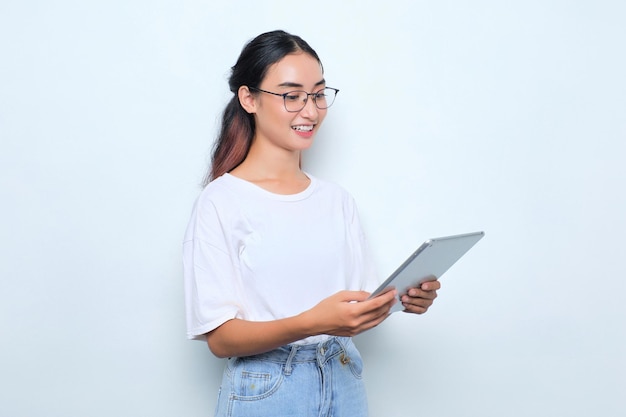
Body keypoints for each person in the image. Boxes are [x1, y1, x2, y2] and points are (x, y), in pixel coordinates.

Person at [183, 30, 440, 417]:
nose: (310, 110)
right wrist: (311, 322)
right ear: (249, 98)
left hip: (342, 376)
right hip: (267, 389)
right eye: (292, 96)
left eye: (318, 94)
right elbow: (220, 338)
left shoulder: (337, 201)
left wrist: (401, 299)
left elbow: (355, 307)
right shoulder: (221, 201)